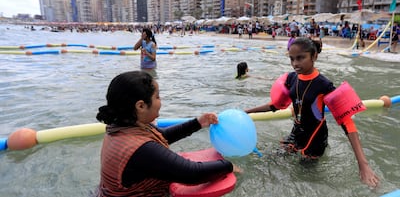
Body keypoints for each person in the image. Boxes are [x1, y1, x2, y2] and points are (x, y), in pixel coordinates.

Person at [244, 37, 379, 188]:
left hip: (315, 139)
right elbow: (276, 105)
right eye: (292, 59)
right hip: (296, 133)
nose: (295, 63)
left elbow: (346, 122)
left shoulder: (324, 85)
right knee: (271, 161)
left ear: (314, 56)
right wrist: (247, 112)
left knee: (303, 178)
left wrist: (363, 164)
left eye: (301, 58)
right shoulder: (291, 78)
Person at [95, 71, 240, 196]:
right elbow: (192, 173)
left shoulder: (120, 127)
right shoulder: (141, 150)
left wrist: (198, 123)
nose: (160, 101)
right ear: (141, 106)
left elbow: (161, 137)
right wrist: (227, 165)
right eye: (157, 97)